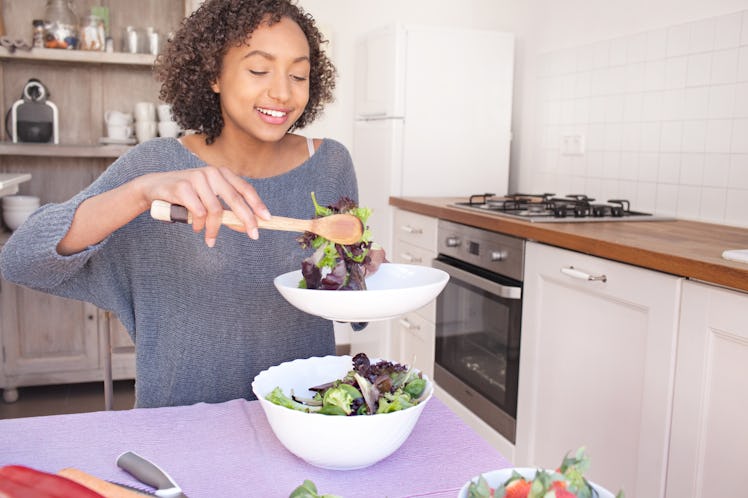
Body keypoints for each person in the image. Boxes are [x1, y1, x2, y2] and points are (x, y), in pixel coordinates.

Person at [0, 0, 357, 408]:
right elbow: (21, 260)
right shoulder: (156, 166)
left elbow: (350, 296)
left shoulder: (330, 164)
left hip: (306, 420)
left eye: (299, 74)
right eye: (259, 70)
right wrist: (138, 193)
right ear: (213, 74)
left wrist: (363, 268)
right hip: (180, 428)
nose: (282, 91)